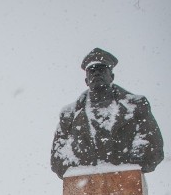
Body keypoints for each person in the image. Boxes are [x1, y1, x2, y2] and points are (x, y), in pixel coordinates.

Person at [50, 47, 164, 179]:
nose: (96, 74)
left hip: (127, 184)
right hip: (83, 187)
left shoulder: (136, 106)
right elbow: (58, 159)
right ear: (86, 80)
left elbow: (152, 149)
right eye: (92, 71)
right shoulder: (69, 115)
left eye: (102, 70)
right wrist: (80, 170)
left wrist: (128, 166)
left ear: (112, 77)